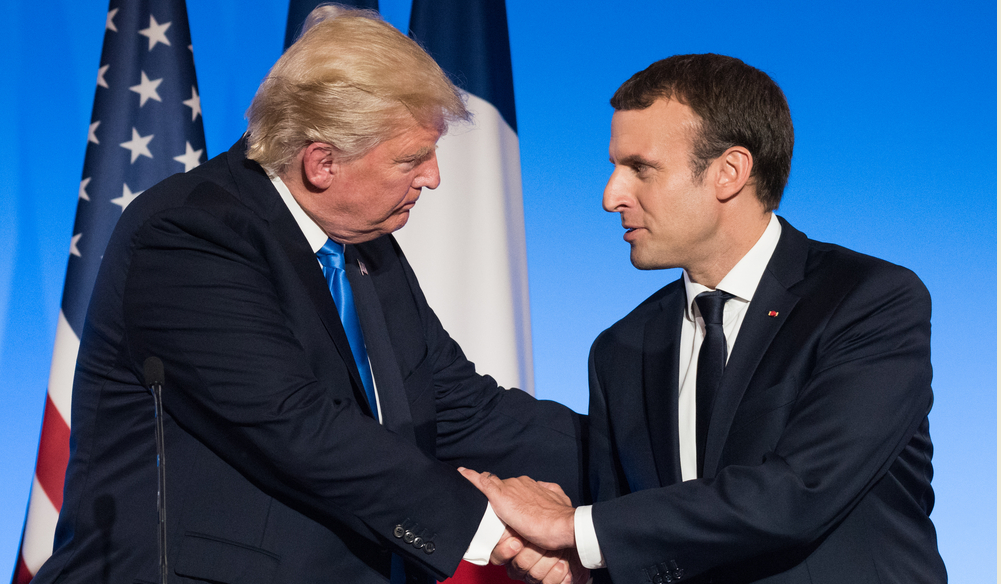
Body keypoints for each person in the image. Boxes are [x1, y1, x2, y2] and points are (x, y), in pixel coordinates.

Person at [32, 7, 584, 584]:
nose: (433, 178)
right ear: (321, 163)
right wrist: (497, 531)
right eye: (411, 159)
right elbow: (294, 425)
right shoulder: (190, 234)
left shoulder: (366, 246)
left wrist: (643, 460)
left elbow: (461, 408)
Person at [462, 53, 947, 583]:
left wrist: (577, 529)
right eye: (614, 167)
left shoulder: (869, 300)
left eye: (640, 168)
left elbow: (800, 493)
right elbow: (647, 536)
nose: (611, 196)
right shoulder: (620, 349)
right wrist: (584, 568)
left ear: (729, 172)